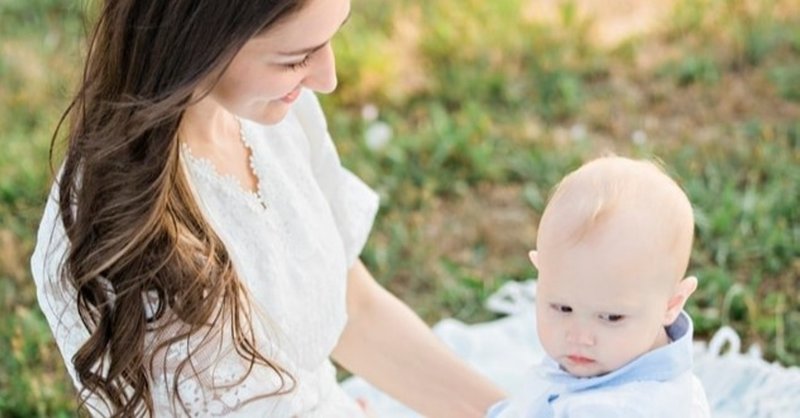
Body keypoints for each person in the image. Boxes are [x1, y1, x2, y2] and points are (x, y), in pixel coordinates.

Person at [30, 0, 505, 416]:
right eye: (295, 59)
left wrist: (508, 412)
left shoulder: (274, 110)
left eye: (329, 38)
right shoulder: (128, 233)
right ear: (198, 42)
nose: (328, 78)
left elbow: (354, 307)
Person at [488, 156, 711, 417]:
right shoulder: (613, 355)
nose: (579, 336)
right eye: (562, 308)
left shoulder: (633, 408)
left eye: (611, 317)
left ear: (671, 305)